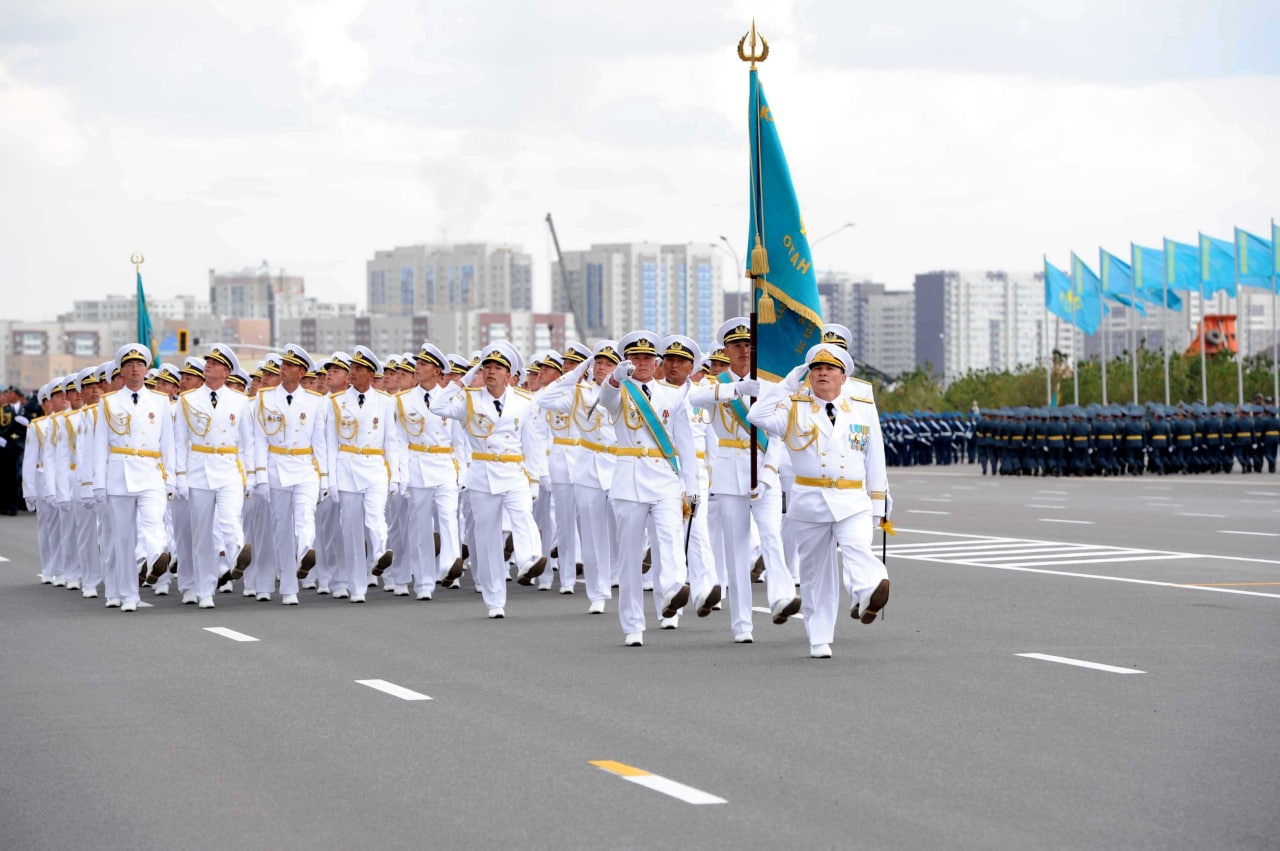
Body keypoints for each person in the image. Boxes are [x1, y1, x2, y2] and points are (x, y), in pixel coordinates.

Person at [747, 343, 891, 659]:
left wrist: (880, 503)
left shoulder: (862, 406)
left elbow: (875, 455)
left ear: (843, 378)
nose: (822, 373)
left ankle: (872, 588)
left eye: (829, 369)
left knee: (856, 546)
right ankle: (820, 638)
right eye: (816, 369)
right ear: (809, 376)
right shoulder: (793, 406)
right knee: (815, 573)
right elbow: (755, 415)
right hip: (810, 500)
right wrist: (786, 384)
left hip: (852, 498)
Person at [688, 318, 799, 644]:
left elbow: (778, 433)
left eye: (750, 346)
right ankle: (741, 624)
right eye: (737, 346)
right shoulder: (714, 384)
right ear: (726, 350)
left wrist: (767, 474)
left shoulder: (771, 384)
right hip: (728, 474)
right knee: (736, 551)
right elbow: (691, 400)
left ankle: (781, 597)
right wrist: (735, 390)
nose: (744, 351)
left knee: (771, 537)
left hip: (764, 472)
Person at [596, 330, 699, 647]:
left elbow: (685, 444)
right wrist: (616, 377)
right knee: (629, 558)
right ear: (627, 361)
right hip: (629, 481)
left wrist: (691, 486)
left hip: (665, 479)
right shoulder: (621, 392)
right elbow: (605, 399)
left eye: (646, 358)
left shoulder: (672, 396)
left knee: (669, 537)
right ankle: (632, 625)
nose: (641, 363)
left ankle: (671, 590)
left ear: (656, 362)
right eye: (634, 357)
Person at [430, 341, 548, 617]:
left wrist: (533, 481)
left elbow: (531, 443)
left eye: (498, 368)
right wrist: (464, 380)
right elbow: (438, 407)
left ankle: (529, 560)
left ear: (509, 374)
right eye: (487, 367)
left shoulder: (524, 401)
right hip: (482, 475)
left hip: (514, 471)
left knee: (522, 516)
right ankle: (495, 600)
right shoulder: (469, 399)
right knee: (487, 538)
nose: (491, 372)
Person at [90, 344, 175, 612]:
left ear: (147, 369)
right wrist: (99, 484)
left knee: (153, 521)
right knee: (122, 538)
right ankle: (125, 593)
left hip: (151, 472)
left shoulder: (160, 401)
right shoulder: (109, 402)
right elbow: (99, 445)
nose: (135, 369)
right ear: (122, 371)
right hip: (119, 473)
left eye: (139, 365)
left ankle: (154, 559)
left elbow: (168, 444)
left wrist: (170, 477)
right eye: (129, 365)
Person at [174, 343, 255, 608]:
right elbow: (179, 442)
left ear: (226, 371)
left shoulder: (241, 402)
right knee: (202, 534)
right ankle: (205, 589)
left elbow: (247, 442)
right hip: (198, 470)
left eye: (215, 363)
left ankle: (236, 557)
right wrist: (180, 476)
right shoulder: (187, 400)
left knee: (231, 519)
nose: (208, 365)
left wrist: (250, 475)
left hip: (229, 468)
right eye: (208, 361)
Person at [251, 343, 328, 605]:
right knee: (280, 527)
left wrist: (326, 477)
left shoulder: (315, 401)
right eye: (283, 364)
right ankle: (287, 585)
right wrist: (260, 475)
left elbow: (320, 441)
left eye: (291, 365)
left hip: (306, 466)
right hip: (275, 466)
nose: (284, 368)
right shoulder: (264, 398)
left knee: (305, 514)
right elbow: (259, 440)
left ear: (302, 372)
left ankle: (306, 551)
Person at [322, 346, 399, 603]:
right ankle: (357, 586)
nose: (353, 373)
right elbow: (331, 444)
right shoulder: (335, 401)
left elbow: (391, 440)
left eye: (358, 369)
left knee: (376, 514)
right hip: (346, 467)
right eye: (351, 369)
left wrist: (395, 475)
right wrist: (330, 480)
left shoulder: (386, 402)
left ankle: (379, 553)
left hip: (375, 464)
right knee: (351, 528)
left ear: (370, 373)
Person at [391, 342, 464, 601]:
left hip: (445, 464)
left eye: (423, 365)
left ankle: (449, 565)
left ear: (436, 371)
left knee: (447, 517)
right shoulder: (402, 400)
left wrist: (463, 473)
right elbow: (398, 441)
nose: (417, 368)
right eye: (417, 364)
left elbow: (459, 440)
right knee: (420, 526)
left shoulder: (453, 397)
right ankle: (423, 581)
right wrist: (399, 475)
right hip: (417, 466)